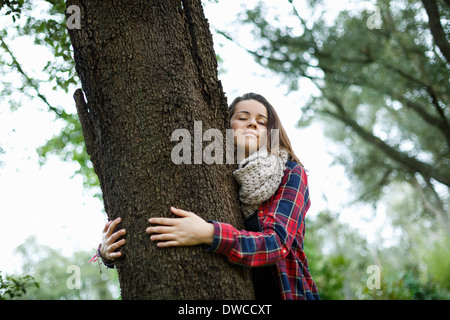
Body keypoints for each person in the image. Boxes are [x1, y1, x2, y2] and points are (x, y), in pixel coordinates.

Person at [98, 93, 320, 300]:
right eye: (243, 117)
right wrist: (107, 252)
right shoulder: (215, 174)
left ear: (271, 132)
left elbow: (277, 244)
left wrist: (209, 233)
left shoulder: (290, 174)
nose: (252, 123)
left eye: (261, 122)